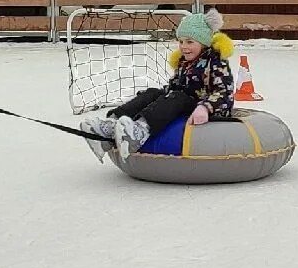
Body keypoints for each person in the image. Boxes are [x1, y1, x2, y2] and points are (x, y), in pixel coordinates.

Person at [90, 8, 236, 157]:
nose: (184, 47)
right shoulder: (185, 62)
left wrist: (205, 108)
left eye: (190, 42)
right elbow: (176, 87)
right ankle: (112, 125)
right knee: (154, 92)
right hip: (185, 103)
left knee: (177, 97)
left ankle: (141, 131)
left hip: (210, 109)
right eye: (181, 41)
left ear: (204, 43)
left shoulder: (216, 62)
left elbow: (225, 92)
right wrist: (154, 98)